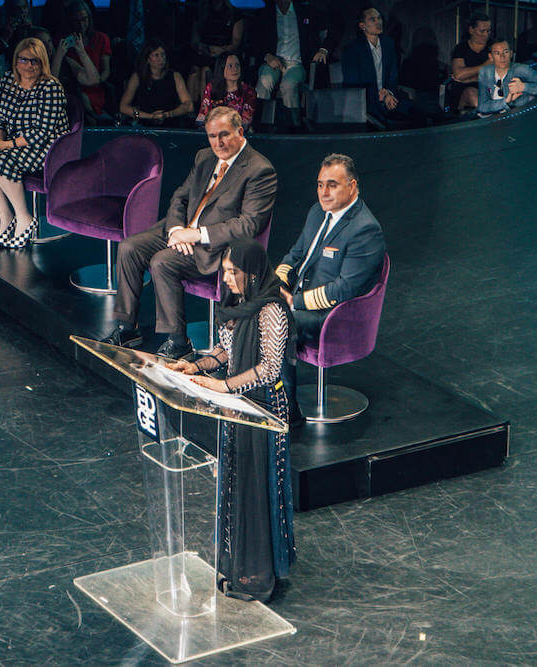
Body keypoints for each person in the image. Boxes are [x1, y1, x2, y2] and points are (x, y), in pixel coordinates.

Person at [166, 238, 295, 603]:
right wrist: (194, 365)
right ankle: (238, 564)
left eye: (231, 271)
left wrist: (223, 385)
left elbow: (269, 369)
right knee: (237, 484)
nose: (227, 279)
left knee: (257, 488)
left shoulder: (271, 310)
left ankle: (258, 573)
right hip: (236, 404)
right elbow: (226, 351)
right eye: (224, 272)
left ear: (251, 272)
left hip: (263, 409)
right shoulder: (238, 304)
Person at [101, 106, 277, 360]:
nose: (218, 142)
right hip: (181, 230)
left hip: (214, 245)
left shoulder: (259, 170)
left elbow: (248, 225)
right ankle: (127, 328)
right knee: (129, 247)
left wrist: (195, 235)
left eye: (224, 135)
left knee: (162, 261)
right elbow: (179, 198)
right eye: (212, 136)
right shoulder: (204, 157)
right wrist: (175, 230)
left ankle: (178, 342)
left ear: (240, 131)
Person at [274, 153, 385, 421]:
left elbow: (342, 291)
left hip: (335, 316)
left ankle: (287, 409)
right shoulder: (317, 212)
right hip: (301, 300)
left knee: (276, 321)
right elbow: (295, 254)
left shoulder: (365, 230)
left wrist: (293, 302)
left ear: (352, 186)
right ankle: (256, 391)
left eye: (332, 184)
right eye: (320, 184)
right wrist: (276, 283)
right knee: (249, 304)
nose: (324, 192)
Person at [0, 37, 68, 249]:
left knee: (1, 162)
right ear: (15, 61)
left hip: (46, 147)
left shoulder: (51, 87)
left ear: (42, 63)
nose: (29, 65)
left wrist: (5, 146)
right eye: (24, 60)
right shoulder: (8, 80)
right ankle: (6, 217)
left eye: (34, 61)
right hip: (14, 143)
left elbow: (43, 132)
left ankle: (24, 217)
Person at [252, 0, 343, 131]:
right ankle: (257, 126)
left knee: (288, 85)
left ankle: (294, 127)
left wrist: (324, 49)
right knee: (265, 81)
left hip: (296, 63)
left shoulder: (306, 12)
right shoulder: (265, 14)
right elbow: (253, 42)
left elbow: (336, 24)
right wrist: (267, 56)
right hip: (272, 61)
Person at [342, 6, 407, 127]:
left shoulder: (389, 44)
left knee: (417, 114)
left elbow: (393, 75)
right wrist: (379, 96)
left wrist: (388, 93)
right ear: (362, 26)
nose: (378, 22)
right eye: (372, 20)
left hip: (388, 97)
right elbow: (353, 83)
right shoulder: (352, 49)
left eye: (379, 18)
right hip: (365, 101)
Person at [118, 39, 194, 127]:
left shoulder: (175, 76)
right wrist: (150, 117)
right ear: (148, 59)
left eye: (163, 54)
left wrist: (168, 114)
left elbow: (188, 105)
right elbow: (123, 107)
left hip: (170, 123)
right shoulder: (137, 77)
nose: (161, 59)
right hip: (144, 124)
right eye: (156, 55)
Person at [476, 38, 537, 117]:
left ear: (511, 54)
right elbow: (482, 106)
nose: (502, 57)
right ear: (491, 56)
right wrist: (505, 101)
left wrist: (524, 87)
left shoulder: (521, 70)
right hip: (491, 120)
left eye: (505, 52)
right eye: (497, 53)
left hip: (517, 117)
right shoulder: (485, 72)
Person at [186, 0, 244, 104]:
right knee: (194, 70)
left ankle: (205, 106)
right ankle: (191, 109)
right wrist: (203, 47)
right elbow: (194, 41)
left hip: (223, 53)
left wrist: (221, 50)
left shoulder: (235, 14)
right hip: (204, 51)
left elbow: (235, 44)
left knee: (206, 70)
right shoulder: (200, 12)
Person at [62, 0, 111, 123]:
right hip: (77, 88)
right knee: (80, 97)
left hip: (97, 86)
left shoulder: (101, 38)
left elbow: (106, 69)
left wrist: (98, 81)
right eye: (77, 21)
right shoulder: (66, 42)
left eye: (84, 19)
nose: (81, 24)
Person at [196, 52, 255, 130]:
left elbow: (245, 121)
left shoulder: (248, 91)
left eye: (237, 65)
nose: (235, 69)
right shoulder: (211, 88)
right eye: (230, 66)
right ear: (222, 69)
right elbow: (202, 116)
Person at [448, 11, 491, 111]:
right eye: (482, 31)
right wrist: (484, 66)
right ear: (471, 30)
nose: (486, 35)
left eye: (488, 31)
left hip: (489, 89)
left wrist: (468, 78)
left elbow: (497, 75)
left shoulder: (493, 47)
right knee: (471, 94)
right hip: (463, 91)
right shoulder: (461, 48)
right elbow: (459, 74)